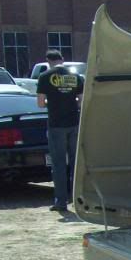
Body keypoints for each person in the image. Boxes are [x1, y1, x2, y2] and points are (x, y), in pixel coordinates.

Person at [36, 49, 84, 213]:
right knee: (75, 163)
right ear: (62, 59)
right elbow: (81, 102)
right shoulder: (76, 76)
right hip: (74, 123)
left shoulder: (44, 77)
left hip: (56, 125)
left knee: (58, 164)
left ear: (48, 60)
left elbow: (41, 104)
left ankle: (61, 202)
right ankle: (78, 201)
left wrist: (53, 102)